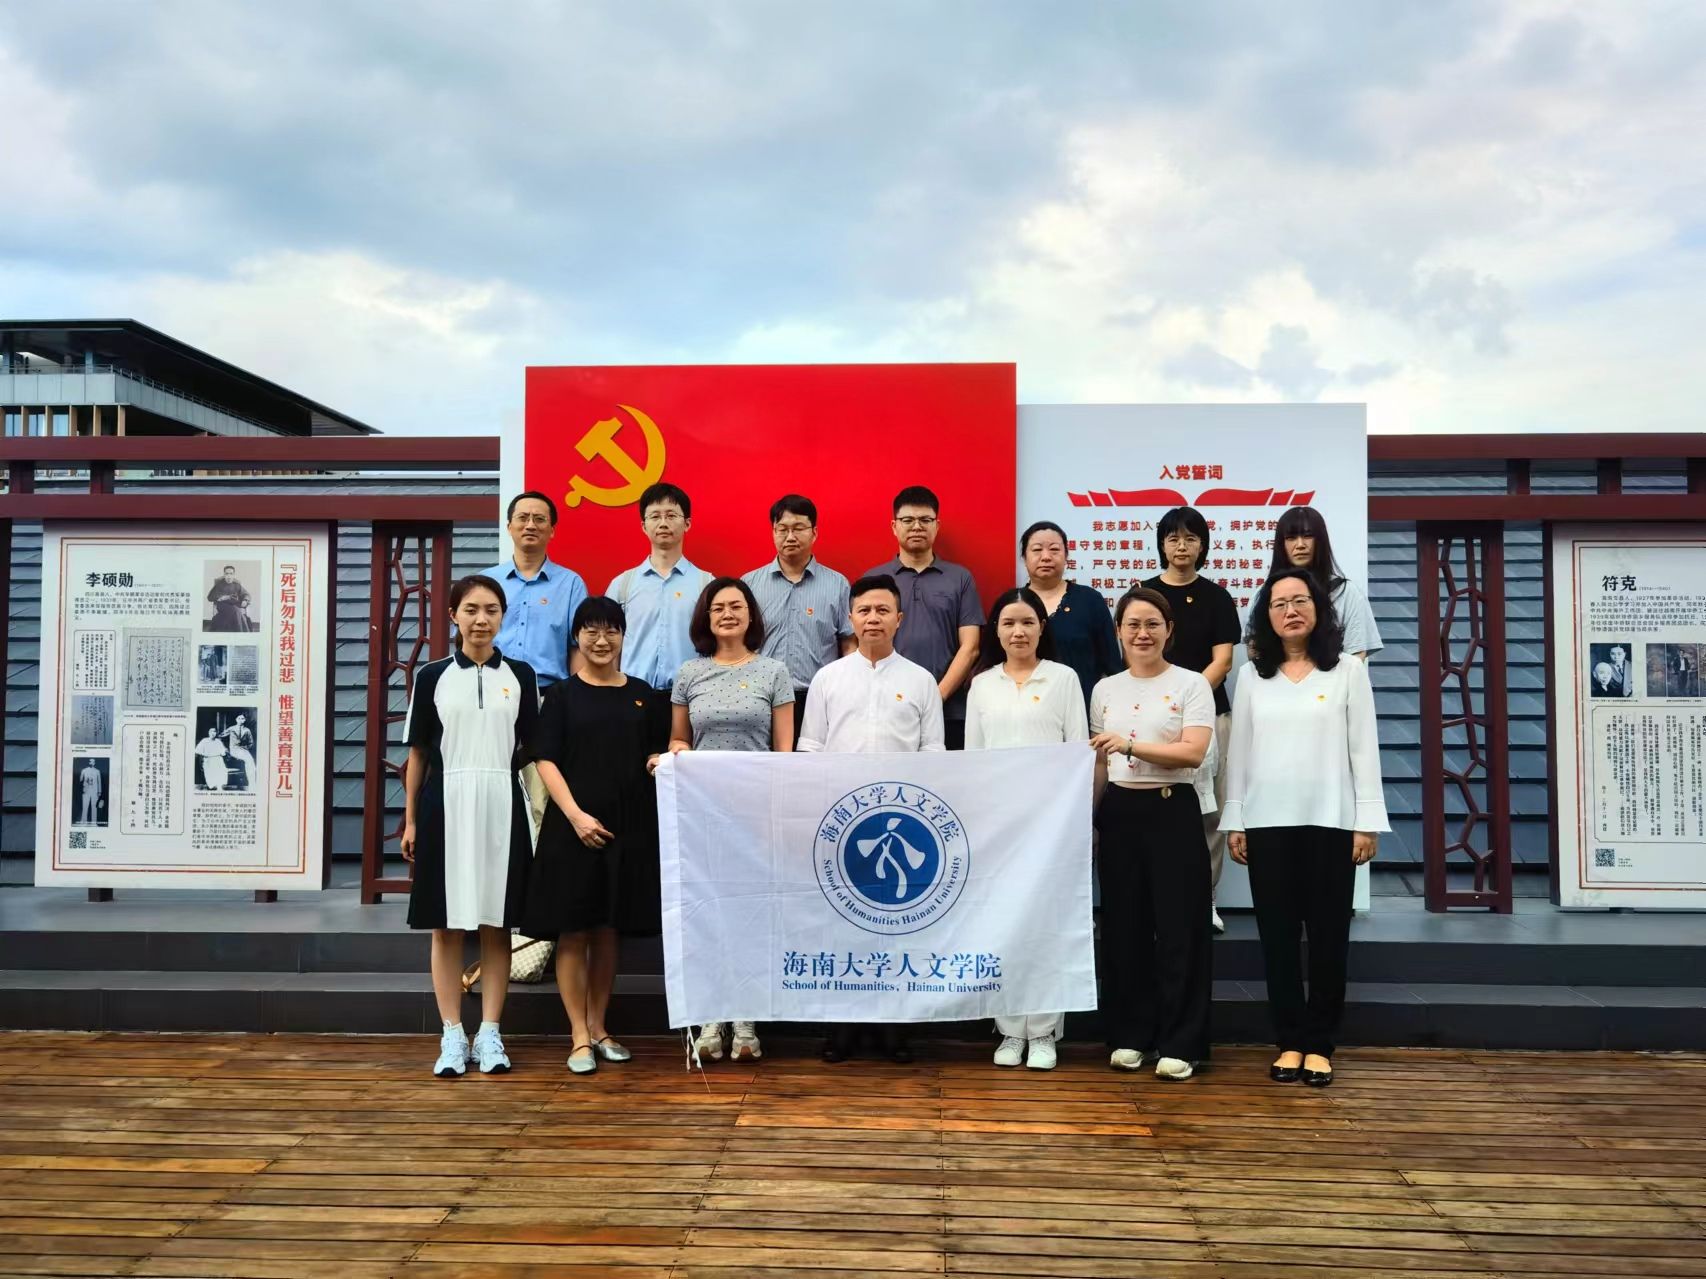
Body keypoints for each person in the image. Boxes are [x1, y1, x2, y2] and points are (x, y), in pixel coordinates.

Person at [1222, 570, 1388, 1089]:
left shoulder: (1347, 671)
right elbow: (1239, 752)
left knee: (1328, 937)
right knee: (1277, 939)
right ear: (1266, 617)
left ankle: (1320, 1044)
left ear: (1319, 610)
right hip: (1266, 823)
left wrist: (1366, 822)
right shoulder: (1252, 676)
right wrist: (1235, 818)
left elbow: (1364, 750)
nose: (1290, 611)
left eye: (1300, 601)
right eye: (1279, 604)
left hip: (1332, 822)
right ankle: (1289, 1040)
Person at [799, 575, 945, 1062]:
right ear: (851, 619)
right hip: (842, 824)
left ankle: (894, 1028)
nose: (873, 619)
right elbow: (811, 748)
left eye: (883, 611)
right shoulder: (828, 678)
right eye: (864, 611)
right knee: (842, 923)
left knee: (898, 924)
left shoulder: (921, 680)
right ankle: (842, 1027)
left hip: (902, 821)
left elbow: (933, 753)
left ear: (899, 619)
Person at [521, 597, 668, 1075]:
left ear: (624, 636)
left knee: (608, 930)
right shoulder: (562, 695)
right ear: (577, 637)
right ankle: (578, 1035)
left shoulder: (643, 694)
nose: (601, 641)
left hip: (628, 828)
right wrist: (576, 816)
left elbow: (657, 750)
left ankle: (600, 1027)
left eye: (611, 631)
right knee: (573, 929)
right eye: (591, 631)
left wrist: (658, 760)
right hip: (573, 826)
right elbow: (545, 759)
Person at [401, 574, 540, 1079]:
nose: (482, 620)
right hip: (447, 802)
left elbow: (532, 750)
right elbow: (419, 754)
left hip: (503, 801)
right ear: (454, 616)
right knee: (446, 923)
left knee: (496, 923)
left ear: (503, 616)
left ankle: (491, 1033)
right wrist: (410, 819)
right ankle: (452, 1034)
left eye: (492, 610)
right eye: (472, 610)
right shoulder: (432, 676)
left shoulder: (521, 675)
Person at [1087, 587, 1216, 1082]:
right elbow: (1100, 764)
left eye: (1152, 624)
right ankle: (1130, 1035)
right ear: (1118, 632)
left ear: (1169, 630)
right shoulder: (1105, 689)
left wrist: (1131, 745)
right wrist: (1090, 820)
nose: (1143, 634)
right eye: (1133, 625)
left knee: (1181, 928)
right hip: (1119, 812)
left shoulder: (1191, 684)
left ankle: (1182, 1042)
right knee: (1125, 927)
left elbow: (1192, 752)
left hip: (1171, 808)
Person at [669, 577, 796, 1064]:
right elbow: (680, 739)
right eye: (718, 607)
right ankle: (710, 1016)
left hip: (755, 811)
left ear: (750, 615)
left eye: (736, 606)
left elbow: (784, 751)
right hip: (702, 812)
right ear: (706, 617)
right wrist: (672, 755)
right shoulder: (689, 673)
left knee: (750, 911)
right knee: (707, 911)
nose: (727, 613)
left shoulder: (774, 672)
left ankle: (746, 1016)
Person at [964, 586, 1089, 1071]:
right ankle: (1010, 1029)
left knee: (1047, 926)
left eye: (1028, 622)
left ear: (1042, 628)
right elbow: (973, 761)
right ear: (996, 632)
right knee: (1003, 925)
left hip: (1051, 826)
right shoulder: (982, 684)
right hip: (999, 827)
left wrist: (1074, 818)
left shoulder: (1063, 679)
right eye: (1009, 623)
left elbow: (1078, 753)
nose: (1018, 631)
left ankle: (1044, 1032)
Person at [1142, 507, 1241, 934]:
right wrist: (1167, 703)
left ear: (1203, 546)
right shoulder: (1145, 594)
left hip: (1210, 716)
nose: (1181, 546)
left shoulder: (1216, 597)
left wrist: (1188, 700)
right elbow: (1134, 654)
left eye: (1190, 538)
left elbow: (1223, 660)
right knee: (1155, 809)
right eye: (1173, 538)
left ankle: (1206, 899)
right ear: (1162, 545)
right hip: (1151, 715)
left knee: (1210, 812)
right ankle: (1157, 900)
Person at [481, 491, 590, 827]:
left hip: (545, 701)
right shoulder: (487, 583)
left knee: (542, 799)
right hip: (491, 697)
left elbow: (577, 648)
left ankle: (539, 863)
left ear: (552, 530)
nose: (530, 525)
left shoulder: (570, 584)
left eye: (539, 519)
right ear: (509, 526)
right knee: (490, 791)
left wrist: (575, 704)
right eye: (523, 518)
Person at [864, 485, 982, 749]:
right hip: (888, 707)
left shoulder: (960, 578)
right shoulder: (874, 580)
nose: (916, 526)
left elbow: (971, 646)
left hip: (948, 708)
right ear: (894, 526)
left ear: (936, 526)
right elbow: (864, 645)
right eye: (907, 520)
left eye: (925, 520)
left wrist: (935, 697)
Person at [742, 494, 855, 738]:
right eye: (782, 529)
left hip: (820, 699)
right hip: (762, 699)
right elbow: (739, 644)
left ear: (814, 533)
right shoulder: (749, 584)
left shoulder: (837, 584)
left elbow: (849, 645)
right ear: (773, 532)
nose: (790, 536)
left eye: (798, 528)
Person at [607, 482, 713, 693]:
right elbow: (609, 645)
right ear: (643, 526)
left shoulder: (706, 584)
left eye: (671, 515)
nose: (663, 523)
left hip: (690, 695)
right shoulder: (622, 585)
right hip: (632, 694)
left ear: (687, 524)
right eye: (655, 516)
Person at [1020, 520, 1120, 708]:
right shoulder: (1013, 604)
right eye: (1037, 550)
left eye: (1054, 550)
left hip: (1083, 709)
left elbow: (1112, 666)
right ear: (1024, 557)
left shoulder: (1090, 600)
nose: (1046, 557)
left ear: (1066, 556)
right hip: (1027, 711)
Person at [1266, 507, 1382, 659]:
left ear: (1321, 541)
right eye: (1291, 538)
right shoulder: (1265, 594)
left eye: (1308, 536)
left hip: (1337, 674)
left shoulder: (1346, 593)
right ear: (1281, 545)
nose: (1300, 544)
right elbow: (1257, 651)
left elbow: (1356, 656)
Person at [206, 566, 252, 632]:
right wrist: (221, 598)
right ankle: (242, 633)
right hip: (223, 606)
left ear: (234, 575)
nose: (229, 576)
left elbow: (246, 594)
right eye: (227, 573)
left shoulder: (237, 585)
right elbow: (210, 597)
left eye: (231, 574)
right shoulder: (219, 585)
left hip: (234, 605)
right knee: (236, 611)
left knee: (237, 611)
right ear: (224, 574)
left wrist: (245, 600)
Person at [221, 714, 257, 790]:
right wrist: (224, 748)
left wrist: (245, 748)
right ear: (236, 720)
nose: (241, 720)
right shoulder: (231, 728)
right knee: (249, 760)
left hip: (243, 750)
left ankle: (252, 784)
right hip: (234, 749)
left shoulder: (247, 730)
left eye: (242, 718)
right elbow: (221, 736)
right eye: (239, 718)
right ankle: (252, 784)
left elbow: (251, 743)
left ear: (245, 720)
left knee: (251, 762)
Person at [77, 760, 102, 825]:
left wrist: (99, 791)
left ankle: (94, 822)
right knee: (85, 806)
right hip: (86, 790)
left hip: (95, 791)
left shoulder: (97, 771)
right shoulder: (84, 770)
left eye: (93, 762)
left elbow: (99, 782)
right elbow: (80, 780)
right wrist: (85, 780)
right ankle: (83, 821)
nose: (91, 763)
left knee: (94, 807)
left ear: (94, 763)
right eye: (90, 761)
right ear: (88, 762)